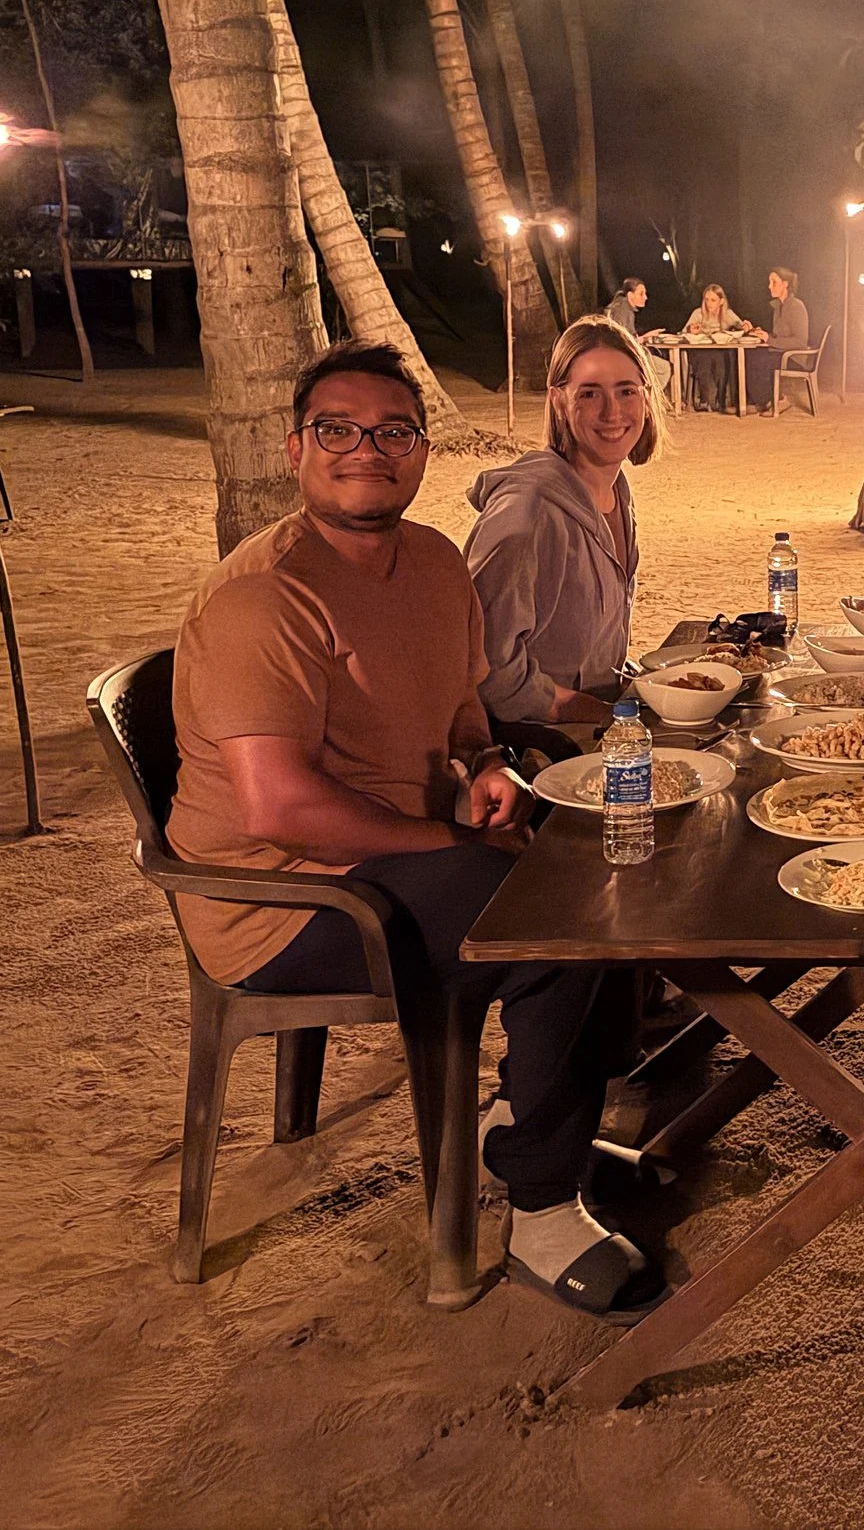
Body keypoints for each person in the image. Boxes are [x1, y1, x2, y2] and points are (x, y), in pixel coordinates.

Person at [168, 339, 662, 1321]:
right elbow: (279, 808)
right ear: (295, 447)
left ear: (423, 448)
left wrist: (484, 772)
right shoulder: (266, 596)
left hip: (398, 847)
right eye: (338, 430)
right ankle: (542, 1210)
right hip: (290, 897)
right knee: (557, 915)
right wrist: (457, 843)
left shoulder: (434, 561)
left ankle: (539, 1116)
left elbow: (462, 718)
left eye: (393, 430)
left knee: (620, 850)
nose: (368, 450)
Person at [465, 316, 661, 736]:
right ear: (557, 400)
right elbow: (488, 670)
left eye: (626, 391)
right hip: (536, 749)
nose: (613, 412)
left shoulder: (616, 494)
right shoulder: (526, 512)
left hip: (598, 727)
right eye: (589, 393)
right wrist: (598, 713)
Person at [742, 267, 812, 412]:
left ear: (785, 284)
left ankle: (775, 400)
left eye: (774, 282)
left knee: (760, 361)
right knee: (750, 355)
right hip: (780, 352)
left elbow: (800, 341)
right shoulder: (777, 307)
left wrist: (769, 340)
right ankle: (760, 401)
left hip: (793, 357)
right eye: (769, 282)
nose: (769, 286)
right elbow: (776, 336)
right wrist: (755, 332)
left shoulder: (797, 306)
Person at [681, 282, 747, 411]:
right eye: (706, 300)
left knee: (721, 363)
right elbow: (683, 333)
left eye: (713, 300)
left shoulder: (727, 314)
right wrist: (690, 330)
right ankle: (707, 400)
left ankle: (721, 400)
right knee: (704, 362)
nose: (709, 303)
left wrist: (744, 327)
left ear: (721, 301)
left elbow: (741, 327)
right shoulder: (698, 314)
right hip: (699, 351)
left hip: (719, 350)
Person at [604, 277, 671, 401]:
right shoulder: (621, 310)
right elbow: (622, 340)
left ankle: (646, 400)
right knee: (664, 368)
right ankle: (647, 401)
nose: (645, 297)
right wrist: (645, 337)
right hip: (621, 356)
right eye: (641, 294)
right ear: (630, 295)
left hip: (622, 354)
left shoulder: (624, 308)